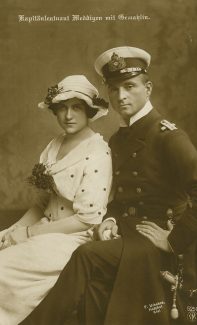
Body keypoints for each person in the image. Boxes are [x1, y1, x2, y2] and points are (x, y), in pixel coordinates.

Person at [20, 47, 197, 325]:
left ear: (148, 88)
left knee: (85, 256)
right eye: (114, 89)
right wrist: (111, 218)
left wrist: (173, 241)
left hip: (154, 239)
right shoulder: (118, 139)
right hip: (123, 233)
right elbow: (116, 193)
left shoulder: (169, 137)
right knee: (92, 287)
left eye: (129, 86)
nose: (121, 96)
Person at [0, 75, 112, 325]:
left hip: (71, 241)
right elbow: (42, 204)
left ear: (90, 111)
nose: (68, 115)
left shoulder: (97, 152)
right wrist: (14, 229)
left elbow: (86, 220)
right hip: (43, 228)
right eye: (62, 108)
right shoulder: (54, 145)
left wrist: (28, 234)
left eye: (76, 107)